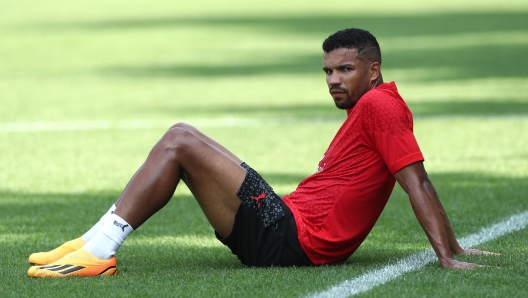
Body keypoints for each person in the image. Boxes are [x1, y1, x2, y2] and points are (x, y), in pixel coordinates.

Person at [27, 28, 496, 278]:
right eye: (328, 71)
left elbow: (417, 180)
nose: (334, 80)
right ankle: (89, 245)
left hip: (291, 239)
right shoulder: (370, 106)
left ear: (374, 71)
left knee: (180, 139)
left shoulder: (380, 105)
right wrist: (454, 245)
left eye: (345, 69)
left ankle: (99, 249)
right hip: (285, 223)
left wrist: (447, 256)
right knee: (180, 137)